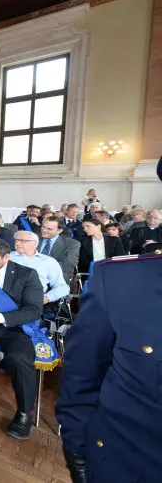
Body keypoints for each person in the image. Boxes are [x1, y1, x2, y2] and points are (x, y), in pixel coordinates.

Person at [56, 157, 162, 483]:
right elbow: (83, 375)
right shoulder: (120, 283)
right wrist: (77, 453)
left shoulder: (116, 248)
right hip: (128, 462)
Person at [0, 238, 44, 440]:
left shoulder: (27, 274)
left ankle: (24, 414)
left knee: (19, 359)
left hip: (15, 328)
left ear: (6, 258)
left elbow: (34, 310)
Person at [10, 231, 70, 305]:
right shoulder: (6, 257)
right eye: (16, 240)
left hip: (31, 300)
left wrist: (46, 298)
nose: (17, 243)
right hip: (6, 297)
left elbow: (62, 287)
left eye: (23, 241)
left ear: (35, 244)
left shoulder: (48, 261)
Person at [39, 216, 81, 283]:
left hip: (55, 279)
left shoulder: (71, 244)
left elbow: (67, 266)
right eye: (43, 227)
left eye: (49, 229)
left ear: (59, 230)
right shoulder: (32, 239)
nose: (44, 230)